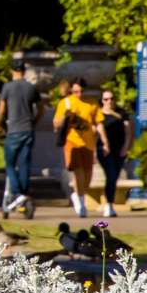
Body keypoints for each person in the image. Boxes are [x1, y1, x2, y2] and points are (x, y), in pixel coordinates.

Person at [0, 63, 40, 220]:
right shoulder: (31, 87)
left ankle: (16, 191)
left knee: (9, 163)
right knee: (24, 163)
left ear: (12, 71)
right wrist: (34, 122)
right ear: (24, 71)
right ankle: (24, 192)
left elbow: (1, 109)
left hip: (13, 130)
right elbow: (40, 109)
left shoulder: (7, 87)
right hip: (28, 129)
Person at [54, 80, 100, 217]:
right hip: (71, 141)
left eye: (81, 91)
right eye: (75, 91)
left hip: (88, 143)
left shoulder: (91, 103)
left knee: (88, 176)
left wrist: (97, 131)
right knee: (78, 172)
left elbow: (98, 122)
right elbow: (56, 123)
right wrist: (65, 117)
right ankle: (81, 204)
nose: (78, 94)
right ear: (71, 91)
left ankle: (78, 195)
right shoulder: (65, 103)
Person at [95, 89, 132, 218]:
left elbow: (128, 131)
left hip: (119, 149)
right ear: (102, 101)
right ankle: (109, 205)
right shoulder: (98, 113)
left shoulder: (121, 113)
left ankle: (110, 204)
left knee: (114, 177)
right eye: (106, 99)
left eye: (111, 98)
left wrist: (125, 147)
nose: (109, 101)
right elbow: (96, 131)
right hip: (104, 150)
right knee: (110, 174)